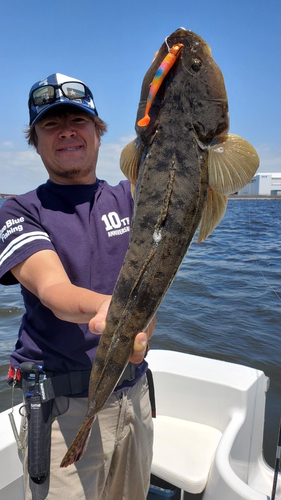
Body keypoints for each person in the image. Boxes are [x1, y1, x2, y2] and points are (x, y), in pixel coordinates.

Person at [0, 73, 155, 500]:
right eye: (51, 124)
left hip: (135, 399)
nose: (67, 130)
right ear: (35, 141)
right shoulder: (18, 210)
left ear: (98, 132)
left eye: (79, 120)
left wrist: (145, 321)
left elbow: (156, 272)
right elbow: (55, 292)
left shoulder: (133, 196)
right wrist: (117, 311)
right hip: (63, 414)